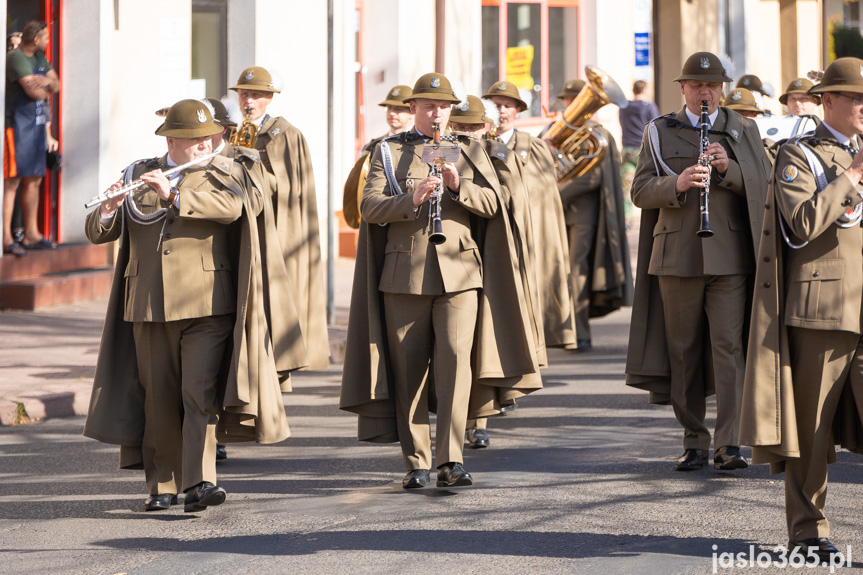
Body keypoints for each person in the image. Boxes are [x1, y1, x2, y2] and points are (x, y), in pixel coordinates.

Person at [82, 100, 291, 512]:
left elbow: (232, 209)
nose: (205, 144)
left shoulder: (226, 172)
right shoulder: (136, 173)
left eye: (208, 137)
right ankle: (162, 486)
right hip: (148, 302)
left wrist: (173, 194)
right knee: (157, 398)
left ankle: (200, 482)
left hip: (207, 302)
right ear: (172, 140)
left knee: (199, 394)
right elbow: (99, 233)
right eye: (195, 139)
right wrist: (107, 209)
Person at [339, 74, 542, 488]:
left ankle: (451, 460)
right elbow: (369, 207)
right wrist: (409, 200)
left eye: (444, 106)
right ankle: (416, 461)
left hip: (460, 273)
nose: (437, 113)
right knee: (408, 371)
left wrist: (457, 184)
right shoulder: (388, 151)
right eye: (429, 106)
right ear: (413, 108)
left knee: (454, 362)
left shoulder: (470, 149)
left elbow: (494, 203)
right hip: (403, 275)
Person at [740, 57, 863, 564]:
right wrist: (852, 176)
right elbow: (801, 222)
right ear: (827, 101)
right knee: (812, 431)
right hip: (822, 309)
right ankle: (808, 532)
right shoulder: (799, 154)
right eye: (855, 98)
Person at [625, 51, 772, 471]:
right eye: (696, 85)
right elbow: (639, 191)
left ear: (722, 88)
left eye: (712, 85)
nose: (704, 91)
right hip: (677, 256)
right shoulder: (659, 130)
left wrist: (730, 171)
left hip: (730, 256)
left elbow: (764, 185)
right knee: (684, 351)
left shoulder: (744, 128)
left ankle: (730, 443)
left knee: (730, 348)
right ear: (683, 89)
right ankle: (693, 438)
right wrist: (678, 182)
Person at [229, 66, 329, 370]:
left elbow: (286, 189)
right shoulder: (236, 132)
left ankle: (279, 366)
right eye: (244, 94)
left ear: (270, 98)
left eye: (256, 95)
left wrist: (253, 166)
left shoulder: (284, 134)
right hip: (241, 223)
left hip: (274, 228)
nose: (248, 100)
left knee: (275, 300)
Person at [482, 79, 576, 350]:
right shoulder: (479, 145)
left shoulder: (533, 147)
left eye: (506, 105)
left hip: (529, 231)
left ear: (517, 111)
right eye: (495, 105)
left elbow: (544, 197)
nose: (500, 111)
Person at [554, 78, 633, 351]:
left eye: (571, 100)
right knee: (556, 271)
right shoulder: (559, 131)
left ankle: (579, 331)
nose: (566, 104)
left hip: (582, 215)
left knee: (577, 272)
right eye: (565, 100)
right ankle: (558, 328)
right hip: (557, 214)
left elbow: (593, 177)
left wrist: (555, 191)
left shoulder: (598, 135)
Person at [3, 20, 60, 256]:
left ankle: (32, 234)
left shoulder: (39, 58)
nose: (48, 41)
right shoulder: (16, 58)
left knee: (34, 179)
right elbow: (32, 91)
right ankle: (5, 237)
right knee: (12, 181)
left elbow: (55, 84)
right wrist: (45, 87)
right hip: (15, 127)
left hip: (35, 127)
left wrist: (45, 82)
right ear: (35, 39)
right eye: (46, 38)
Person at [343, 85, 415, 229]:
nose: (392, 113)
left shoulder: (418, 146)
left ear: (412, 112)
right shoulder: (372, 147)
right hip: (376, 219)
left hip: (407, 222)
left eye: (398, 109)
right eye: (389, 108)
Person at [619, 80, 659, 222]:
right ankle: (650, 219)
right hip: (644, 150)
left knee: (626, 187)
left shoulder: (623, 107)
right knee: (649, 183)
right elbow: (656, 127)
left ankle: (626, 218)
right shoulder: (649, 107)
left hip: (628, 150)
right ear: (644, 91)